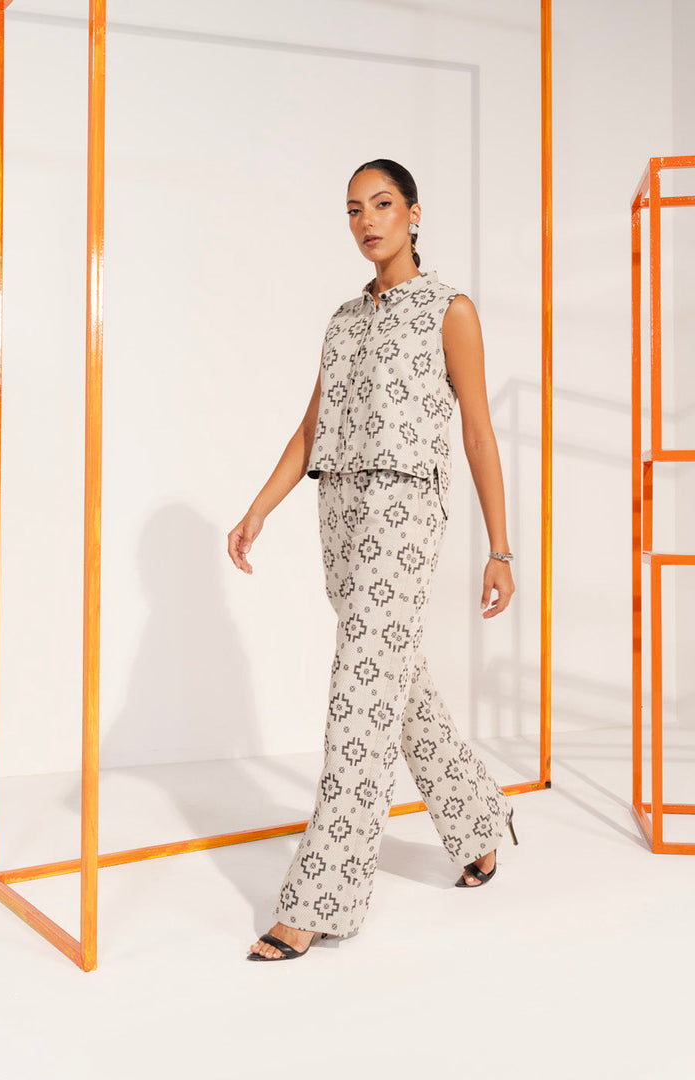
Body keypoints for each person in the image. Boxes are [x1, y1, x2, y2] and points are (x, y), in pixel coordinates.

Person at [228, 159, 517, 963]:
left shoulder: (450, 310)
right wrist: (259, 508)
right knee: (394, 680)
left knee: (358, 697)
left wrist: (499, 548)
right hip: (340, 514)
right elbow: (310, 430)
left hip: (404, 513)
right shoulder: (343, 320)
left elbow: (478, 433)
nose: (367, 221)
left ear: (414, 213)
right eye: (354, 209)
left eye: (382, 204)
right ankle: (478, 821)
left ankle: (319, 899)